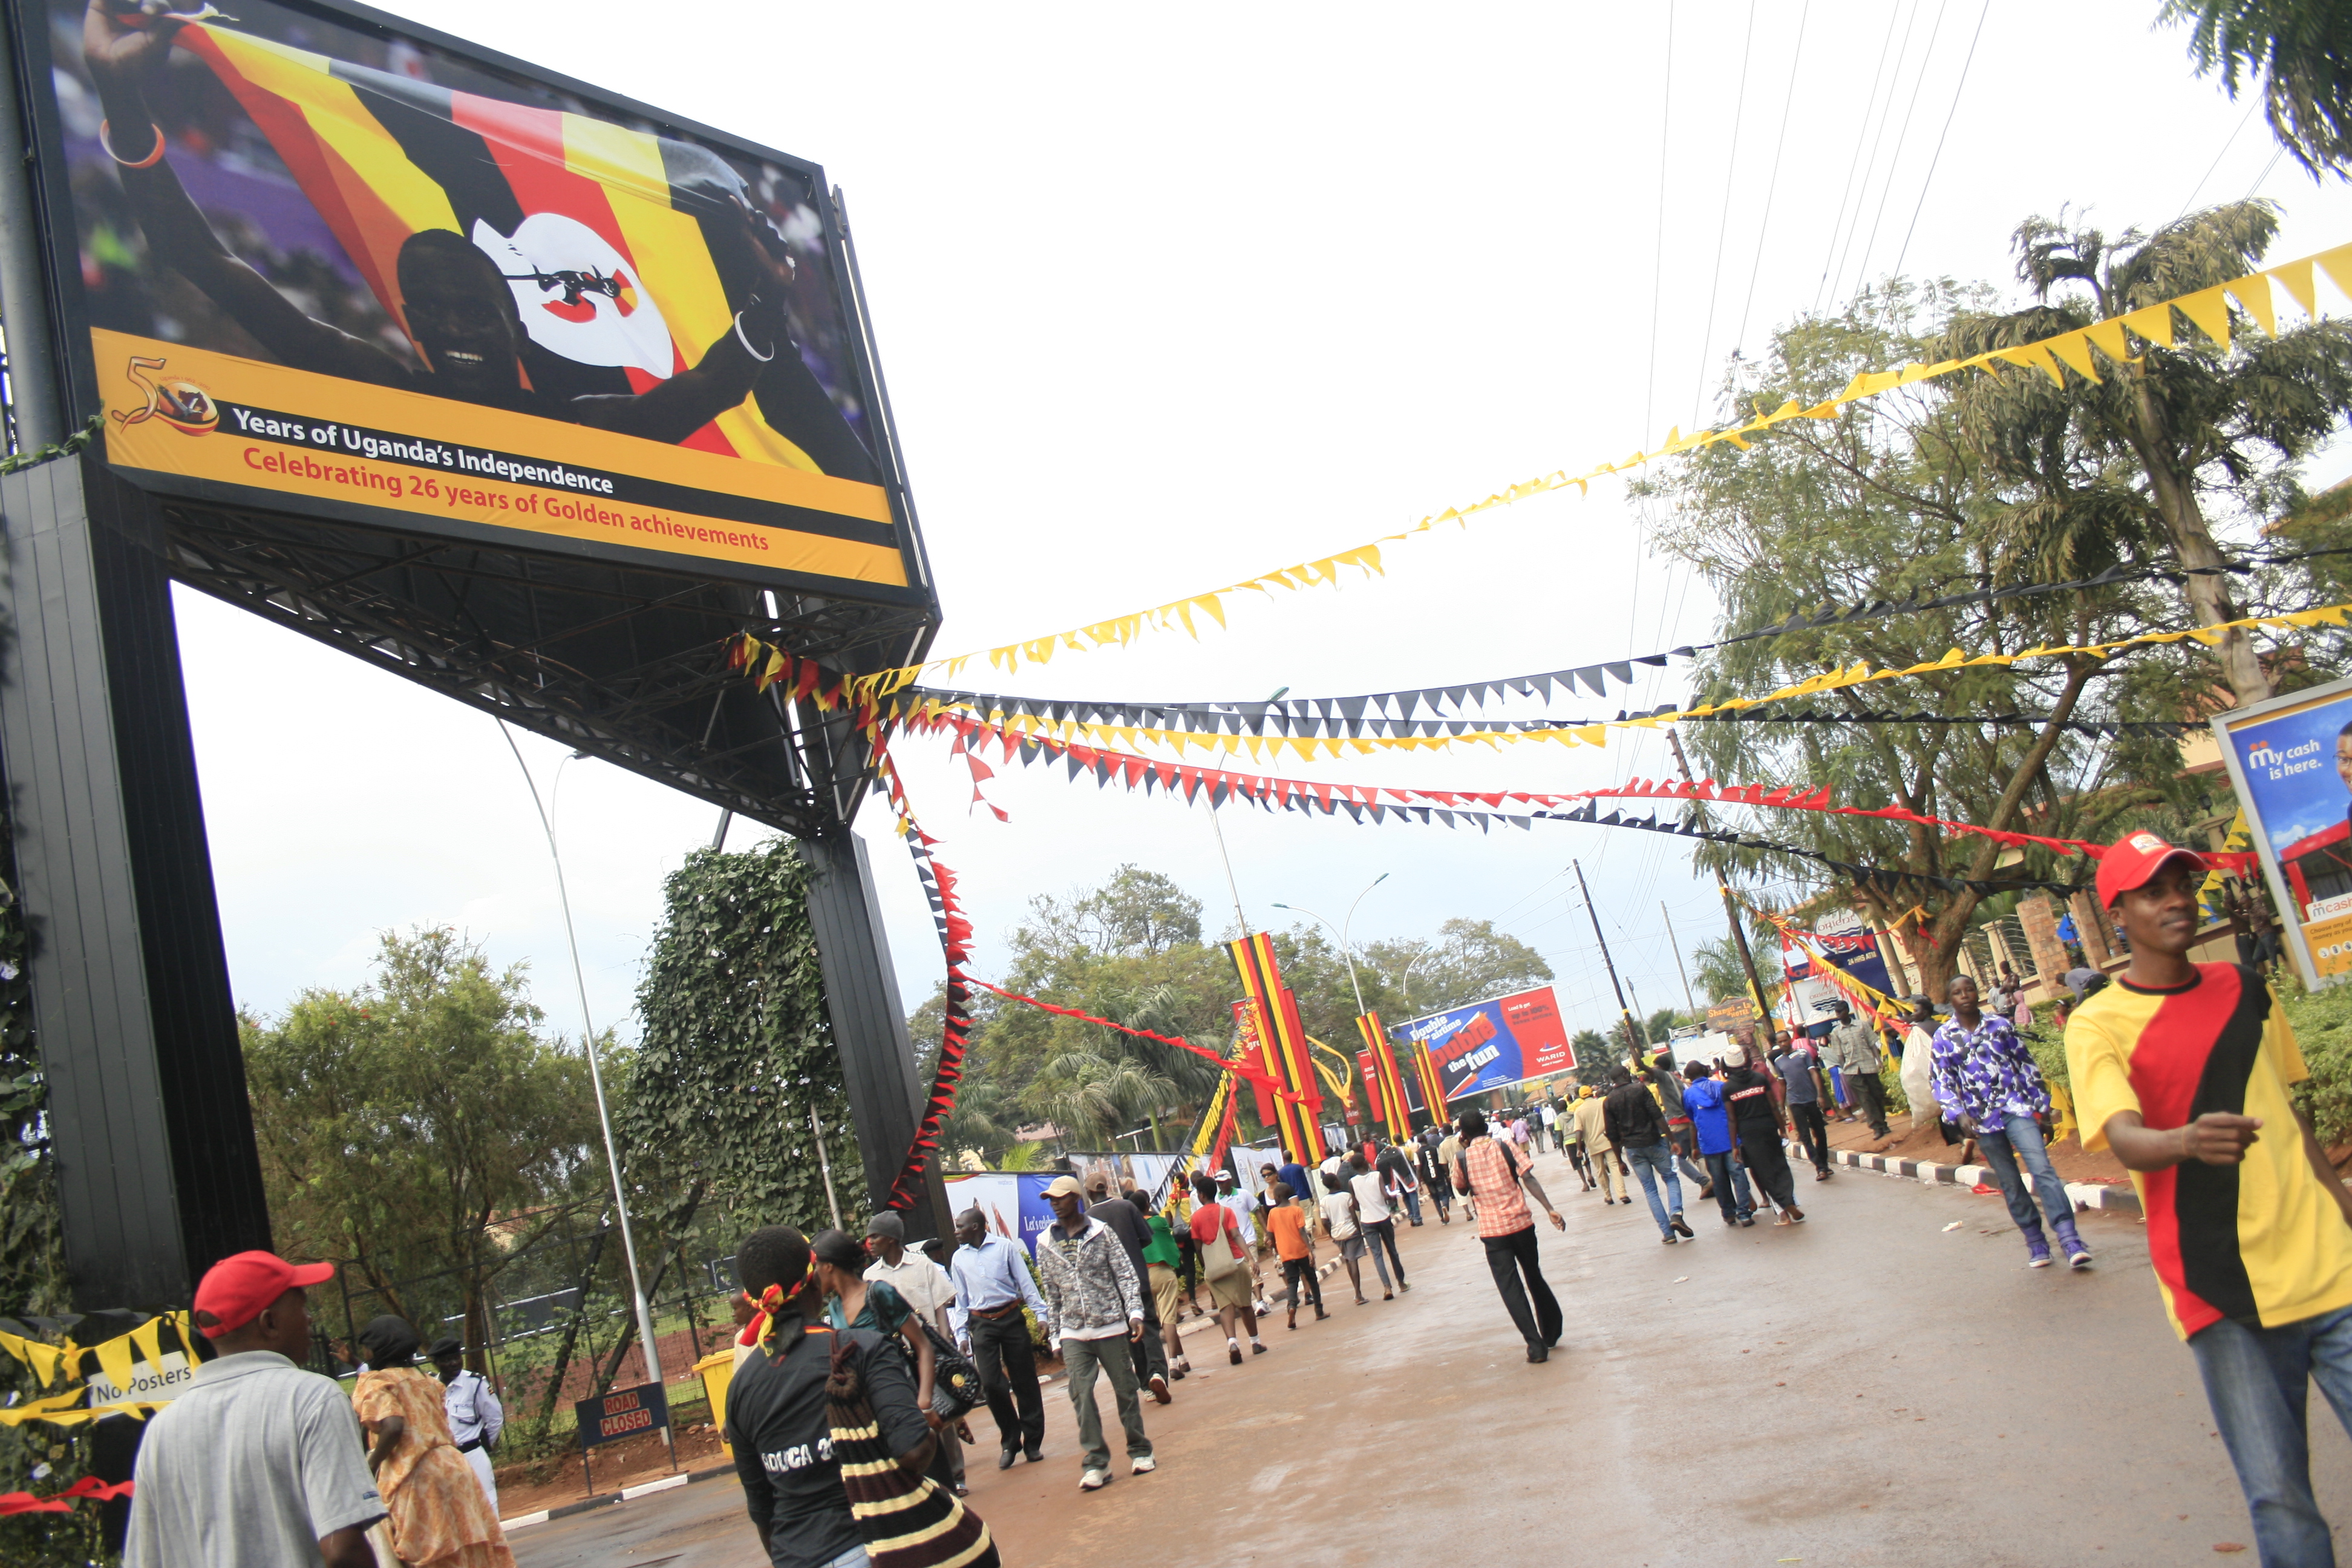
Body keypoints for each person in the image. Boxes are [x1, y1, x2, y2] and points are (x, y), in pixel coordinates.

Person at [78, 2, 881, 479]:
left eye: (471, 306)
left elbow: (711, 386)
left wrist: (769, 299)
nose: (452, 327)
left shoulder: (579, 428)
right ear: (408, 323)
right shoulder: (378, 388)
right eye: (429, 309)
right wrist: (120, 96)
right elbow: (201, 261)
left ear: (516, 315)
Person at [2068, 831, 2352, 1567]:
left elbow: (2288, 1113)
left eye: (2182, 885)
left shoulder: (2242, 989)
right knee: (2280, 1497)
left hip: (2330, 1264)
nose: (2176, 902)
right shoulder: (2096, 1023)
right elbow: (2125, 1139)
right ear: (2117, 914)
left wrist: (2343, 1205)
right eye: (2154, 891)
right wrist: (2187, 1142)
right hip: (2223, 1291)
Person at [727, 1225, 987, 1568]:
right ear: (813, 1281)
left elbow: (762, 1509)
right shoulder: (863, 1350)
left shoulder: (740, 1388)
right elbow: (914, 1452)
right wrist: (924, 1422)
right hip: (874, 1546)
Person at [125, 1251, 384, 1568]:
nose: (309, 1318)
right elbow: (343, 1551)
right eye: (301, 1307)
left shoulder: (160, 1431)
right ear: (270, 1323)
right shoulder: (311, 1398)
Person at [1933, 972, 2086, 1269]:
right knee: (2010, 1182)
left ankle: (2070, 1238)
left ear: (1977, 994)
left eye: (1969, 989)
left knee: (2042, 1169)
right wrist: (1958, 1113)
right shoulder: (1944, 1038)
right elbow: (1942, 1082)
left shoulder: (2000, 1025)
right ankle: (2036, 1242)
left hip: (2017, 1108)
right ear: (1950, 1000)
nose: (1964, 995)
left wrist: (2041, 1109)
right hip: (1982, 1121)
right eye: (1957, 992)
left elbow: (2025, 1064)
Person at [351, 1316, 514, 1568]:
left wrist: (371, 1465)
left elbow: (393, 1426)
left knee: (424, 1553)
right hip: (455, 1468)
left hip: (414, 1474)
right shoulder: (427, 1381)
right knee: (468, 1543)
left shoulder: (377, 1382)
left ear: (376, 1348)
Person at [1033, 1175, 1154, 1492]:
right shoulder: (1045, 1242)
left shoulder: (1101, 1233)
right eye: (1051, 1200)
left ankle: (1140, 1450)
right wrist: (1056, 1335)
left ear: (1076, 1198)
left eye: (1060, 1198)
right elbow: (1052, 1293)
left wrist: (1135, 1313)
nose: (1055, 1204)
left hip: (1110, 1325)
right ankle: (1096, 1462)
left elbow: (1125, 1274)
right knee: (1081, 1396)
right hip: (1074, 1331)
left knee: (1126, 1390)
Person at [863, 1210, 972, 1495]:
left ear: (891, 1239)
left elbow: (940, 1307)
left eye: (874, 1236)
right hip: (895, 1357)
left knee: (940, 1413)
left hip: (927, 1353)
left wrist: (944, 1343)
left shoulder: (923, 1266)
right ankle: (926, 1480)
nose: (870, 1242)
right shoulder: (870, 1276)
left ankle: (956, 1475)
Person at [1451, 1109, 1568, 1362]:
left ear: (1463, 1134)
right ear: (1486, 1127)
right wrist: (1550, 1209)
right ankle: (1551, 1331)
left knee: (1510, 1288)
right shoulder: (1505, 1146)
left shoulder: (1461, 1158)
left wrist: (1465, 1151)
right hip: (1522, 1223)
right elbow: (1528, 1176)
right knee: (1534, 1276)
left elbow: (1460, 1187)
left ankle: (1535, 1346)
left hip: (1493, 1233)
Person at [948, 1207, 1053, 1470]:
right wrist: (961, 1333)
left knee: (1024, 1380)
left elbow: (1026, 1283)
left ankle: (1032, 1441)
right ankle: (1010, 1439)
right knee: (991, 1383)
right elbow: (961, 1301)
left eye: (960, 1226)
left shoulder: (1005, 1248)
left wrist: (1042, 1315)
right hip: (982, 1324)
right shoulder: (958, 1259)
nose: (956, 1231)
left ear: (976, 1227)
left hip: (1011, 1317)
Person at [1085, 1175, 1172, 1404]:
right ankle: (1158, 1373)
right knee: (1150, 1327)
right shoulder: (1127, 1206)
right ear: (1107, 1188)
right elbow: (1146, 1239)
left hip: (1112, 1289)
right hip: (1138, 1280)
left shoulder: (1087, 1219)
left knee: (1129, 1333)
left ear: (1089, 1192)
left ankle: (1145, 1384)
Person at [1604, 1065, 1694, 1244]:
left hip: (1633, 1149)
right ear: (1624, 1075)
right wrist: (1672, 1139)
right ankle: (1676, 1213)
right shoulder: (1640, 1089)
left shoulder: (1608, 1101)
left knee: (1650, 1189)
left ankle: (1668, 1234)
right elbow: (1657, 1116)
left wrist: (1619, 1160)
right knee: (1670, 1178)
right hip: (1654, 1141)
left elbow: (1612, 1134)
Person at [1189, 1172, 1266, 1362]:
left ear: (1201, 1195)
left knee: (1225, 1307)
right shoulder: (1226, 1212)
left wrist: (1207, 1264)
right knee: (1245, 1304)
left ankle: (1232, 1342)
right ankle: (1255, 1342)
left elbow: (1198, 1247)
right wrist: (1250, 1259)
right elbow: (1236, 1235)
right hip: (1237, 1262)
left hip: (1215, 1269)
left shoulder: (1196, 1218)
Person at [1724, 1040, 1803, 1224]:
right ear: (1744, 1061)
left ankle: (1784, 1205)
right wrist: (1782, 1129)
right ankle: (1789, 1201)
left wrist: (1734, 1146)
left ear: (1729, 1064)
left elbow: (1732, 1119)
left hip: (1749, 1133)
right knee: (1780, 1165)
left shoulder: (1728, 1088)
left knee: (1764, 1171)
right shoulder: (1759, 1079)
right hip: (1768, 1127)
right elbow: (1774, 1107)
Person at [427, 1336, 503, 1515]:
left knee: (487, 1508)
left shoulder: (475, 1384)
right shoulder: (429, 1387)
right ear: (436, 1363)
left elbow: (495, 1419)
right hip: (444, 1460)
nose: (454, 1363)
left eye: (457, 1358)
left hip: (473, 1455)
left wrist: (482, 1447)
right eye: (447, 1360)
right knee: (454, 1513)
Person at [1684, 1060, 1756, 1226]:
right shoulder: (1721, 1087)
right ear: (1706, 1071)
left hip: (1709, 1144)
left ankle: (1728, 1213)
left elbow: (1692, 1121)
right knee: (1738, 1175)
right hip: (1730, 1139)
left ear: (1688, 1076)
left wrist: (1694, 1147)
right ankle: (1744, 1214)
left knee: (1719, 1179)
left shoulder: (1688, 1095)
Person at [1264, 1181, 1328, 1327]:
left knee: (1292, 1283)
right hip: (1301, 1251)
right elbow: (1302, 1232)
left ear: (1278, 1197)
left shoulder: (1273, 1213)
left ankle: (1291, 1306)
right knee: (1312, 1279)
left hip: (1285, 1254)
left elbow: (1270, 1235)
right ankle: (1319, 1311)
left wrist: (1276, 1248)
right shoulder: (1296, 1210)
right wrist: (1310, 1251)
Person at [1774, 1030, 1835, 1180]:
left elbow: (1814, 1073)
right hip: (1795, 1103)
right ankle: (1820, 1168)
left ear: (1790, 1040)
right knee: (1805, 1136)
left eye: (1785, 1040)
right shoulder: (1778, 1062)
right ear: (1777, 1044)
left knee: (1820, 1132)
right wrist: (1781, 1107)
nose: (1783, 1044)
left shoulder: (1803, 1054)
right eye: (1780, 1042)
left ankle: (1824, 1163)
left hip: (1811, 1099)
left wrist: (1820, 1095)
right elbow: (1782, 1085)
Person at [1348, 1149, 1410, 1296]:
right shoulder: (1377, 1175)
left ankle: (1387, 1287)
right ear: (1365, 1162)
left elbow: (1355, 1205)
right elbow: (1386, 1195)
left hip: (1367, 1221)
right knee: (1392, 1251)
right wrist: (1392, 1198)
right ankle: (1401, 1283)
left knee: (1377, 1255)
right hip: (1383, 1217)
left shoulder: (1352, 1183)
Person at [1826, 1002, 1892, 1139]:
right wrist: (1844, 1068)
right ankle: (1876, 1127)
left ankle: (1883, 1124)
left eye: (1840, 1012)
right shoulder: (1836, 1033)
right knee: (1865, 1098)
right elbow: (1839, 1054)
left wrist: (1878, 1061)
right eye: (1836, 1013)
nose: (1838, 1015)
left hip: (1868, 1066)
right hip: (1852, 1070)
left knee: (1876, 1094)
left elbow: (1872, 1043)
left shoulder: (1862, 1025)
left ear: (1847, 1011)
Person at [1141, 1209, 1192, 1379]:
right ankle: (1173, 1364)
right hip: (1162, 1272)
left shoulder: (1132, 1226)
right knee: (1168, 1319)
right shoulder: (1158, 1222)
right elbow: (1169, 1225)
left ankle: (1183, 1359)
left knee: (1163, 1319)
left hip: (1143, 1278)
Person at [1319, 1168, 1373, 1304]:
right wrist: (1358, 1230)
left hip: (1337, 1235)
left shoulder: (1324, 1201)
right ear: (1336, 1182)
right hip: (1351, 1231)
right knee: (1353, 1260)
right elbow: (1354, 1215)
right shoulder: (1346, 1196)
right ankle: (1358, 1294)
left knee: (1348, 1260)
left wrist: (1332, 1234)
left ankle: (1357, 1293)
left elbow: (1324, 1221)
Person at [1572, 1082, 1624, 1203]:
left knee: (1601, 1172)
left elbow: (1578, 1131)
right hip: (1608, 1141)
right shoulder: (1602, 1104)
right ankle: (1622, 1194)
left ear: (1580, 1097)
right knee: (1615, 1167)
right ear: (1592, 1093)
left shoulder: (1579, 1111)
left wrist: (1579, 1148)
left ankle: (1608, 1196)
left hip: (1593, 1146)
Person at [1376, 1137, 1424, 1225]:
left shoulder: (1380, 1158)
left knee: (1405, 1196)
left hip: (1395, 1181)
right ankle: (1417, 1218)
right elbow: (1413, 1161)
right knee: (1412, 1194)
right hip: (1405, 1176)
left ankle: (1412, 1216)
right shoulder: (1403, 1150)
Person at [1414, 1131, 1454, 1223]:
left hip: (1428, 1179)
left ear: (1419, 1142)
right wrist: (1446, 1173)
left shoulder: (1417, 1153)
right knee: (1444, 1194)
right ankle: (1445, 1206)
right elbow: (1441, 1162)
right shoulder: (1434, 1149)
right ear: (1426, 1139)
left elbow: (1418, 1169)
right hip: (1439, 1175)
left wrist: (1419, 1183)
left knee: (1435, 1198)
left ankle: (1442, 1217)